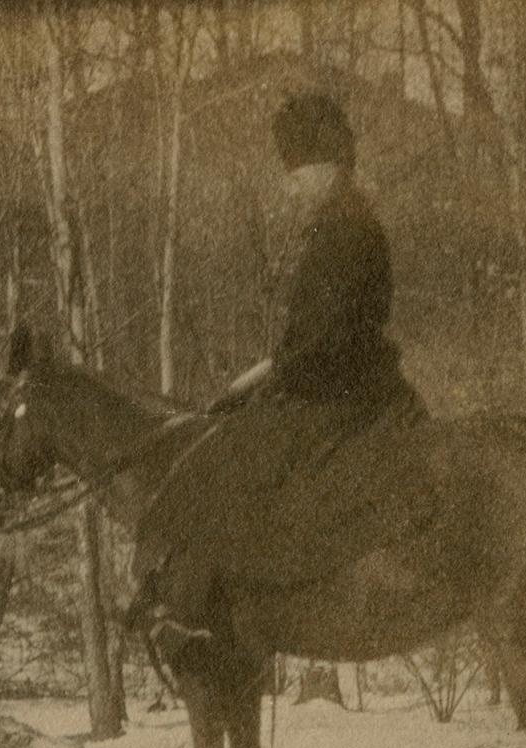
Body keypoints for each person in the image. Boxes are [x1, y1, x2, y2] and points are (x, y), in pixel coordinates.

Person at [133, 92, 424, 665]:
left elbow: (332, 337)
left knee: (234, 456)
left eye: (297, 174)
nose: (290, 187)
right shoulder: (343, 222)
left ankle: (226, 614)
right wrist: (262, 373)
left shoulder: (344, 230)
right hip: (340, 381)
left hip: (339, 393)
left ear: (327, 168)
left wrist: (272, 374)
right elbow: (319, 333)